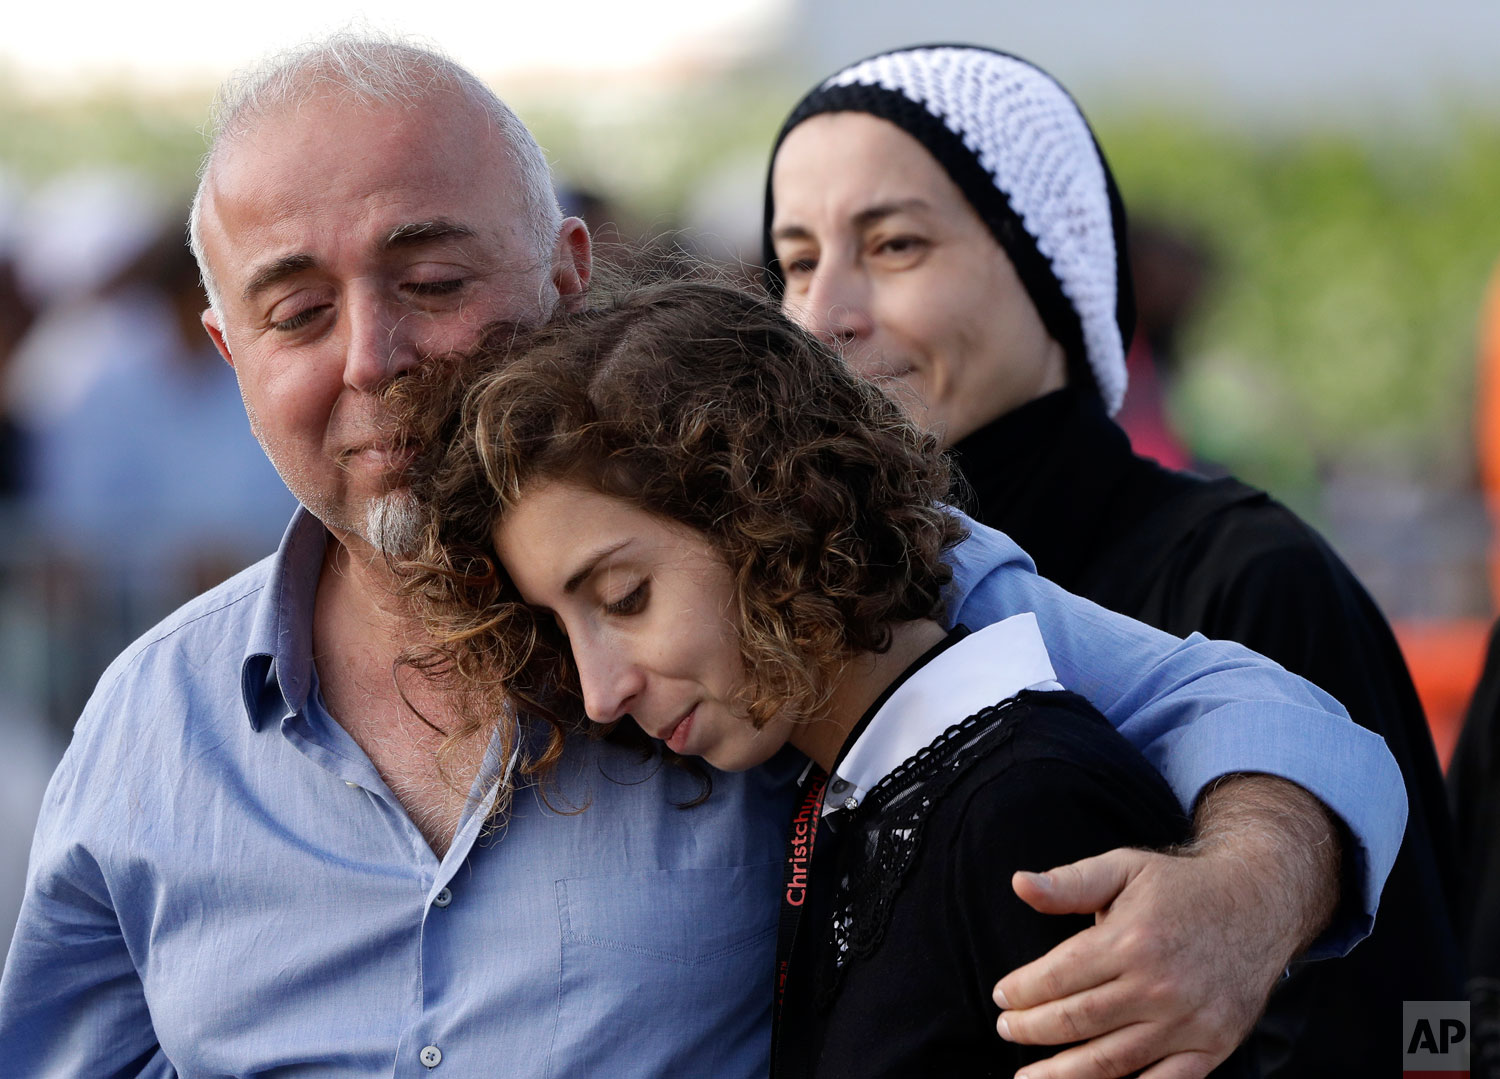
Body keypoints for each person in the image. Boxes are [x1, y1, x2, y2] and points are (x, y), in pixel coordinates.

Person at [0, 32, 1403, 1078]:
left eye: (433, 282)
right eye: (297, 311)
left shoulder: (792, 579)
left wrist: (1248, 885)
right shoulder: (147, 729)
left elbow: (1237, 701)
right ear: (227, 354)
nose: (376, 360)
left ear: (567, 272)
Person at [761, 43, 1461, 1075]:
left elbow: (1425, 1021)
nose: (825, 315)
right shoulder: (803, 591)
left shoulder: (1249, 573)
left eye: (897, 245)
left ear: (1054, 267)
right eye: (799, 261)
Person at [391, 278, 1250, 1078]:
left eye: (625, 596)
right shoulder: (843, 797)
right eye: (562, 626)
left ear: (777, 506)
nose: (598, 691)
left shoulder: (1027, 803)